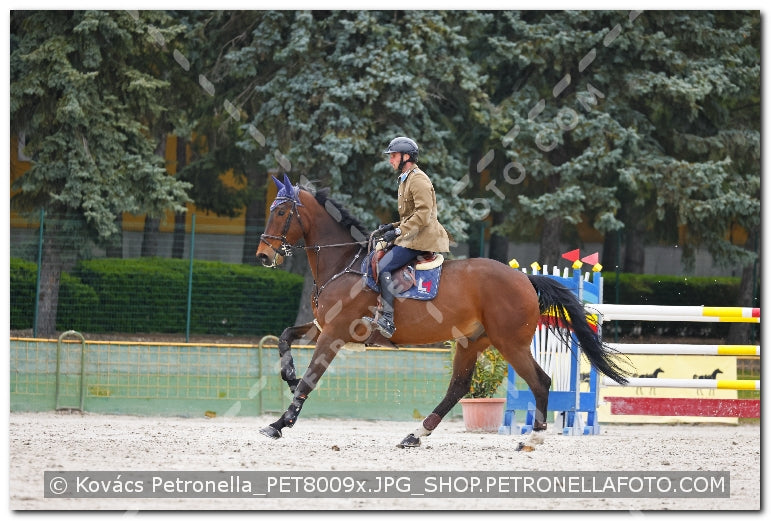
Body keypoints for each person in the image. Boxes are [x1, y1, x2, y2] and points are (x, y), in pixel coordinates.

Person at [365, 136, 450, 338]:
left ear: (406, 157)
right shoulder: (405, 179)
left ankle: (387, 318)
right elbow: (409, 216)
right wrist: (391, 226)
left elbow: (422, 214)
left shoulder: (418, 179)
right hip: (412, 235)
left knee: (385, 265)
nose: (390, 160)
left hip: (422, 238)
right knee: (379, 254)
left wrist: (398, 232)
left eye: (393, 156)